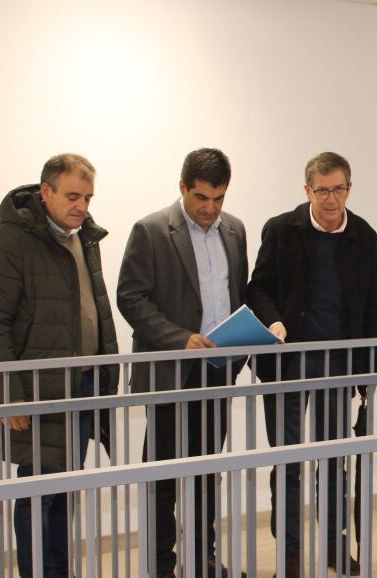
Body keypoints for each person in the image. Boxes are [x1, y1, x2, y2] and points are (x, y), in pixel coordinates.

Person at [0, 153, 119, 578]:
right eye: (72, 196)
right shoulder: (9, 242)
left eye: (88, 198)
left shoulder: (84, 238)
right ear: (45, 192)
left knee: (65, 486)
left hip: (83, 384)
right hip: (37, 390)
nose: (82, 206)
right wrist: (9, 394)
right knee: (38, 492)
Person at [247, 151, 377, 578]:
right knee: (288, 463)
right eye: (322, 190)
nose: (331, 199)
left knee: (333, 460)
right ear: (307, 190)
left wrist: (369, 370)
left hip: (337, 366)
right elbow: (257, 289)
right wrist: (274, 321)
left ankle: (334, 545)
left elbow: (371, 305)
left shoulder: (363, 235)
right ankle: (289, 554)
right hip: (286, 365)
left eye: (338, 189)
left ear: (349, 189)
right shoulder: (281, 229)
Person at [117, 148, 248, 578]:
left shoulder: (235, 230)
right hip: (170, 372)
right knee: (164, 477)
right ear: (182, 187)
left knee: (208, 472)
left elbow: (237, 294)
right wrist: (180, 339)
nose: (210, 208)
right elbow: (131, 298)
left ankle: (202, 559)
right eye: (201, 198)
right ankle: (160, 565)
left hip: (218, 372)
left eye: (219, 198)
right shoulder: (152, 230)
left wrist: (243, 343)